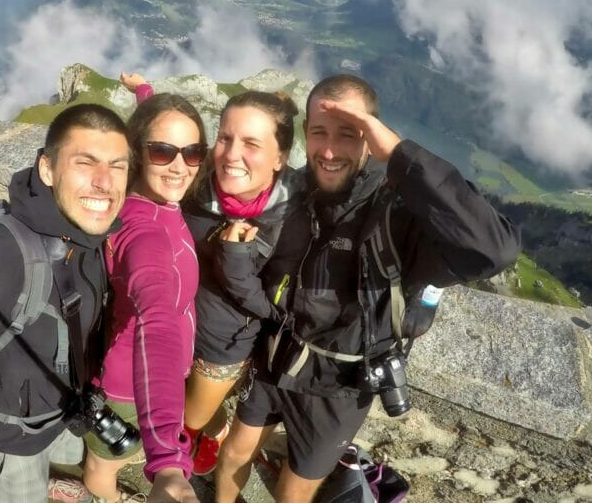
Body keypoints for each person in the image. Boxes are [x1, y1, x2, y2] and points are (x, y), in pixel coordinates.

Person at [214, 74, 521, 503]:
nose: (329, 150)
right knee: (233, 454)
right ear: (305, 134)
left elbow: (495, 249)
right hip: (275, 358)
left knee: (292, 493)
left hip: (341, 385)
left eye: (349, 134)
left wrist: (398, 155)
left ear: (372, 137)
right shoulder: (297, 191)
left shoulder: (398, 214)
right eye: (319, 132)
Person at [0, 104, 195, 503]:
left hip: (62, 411)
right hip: (11, 438)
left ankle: (54, 483)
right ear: (47, 169)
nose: (104, 183)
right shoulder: (0, 252)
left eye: (117, 166)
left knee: (61, 464)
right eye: (86, 163)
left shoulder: (87, 233)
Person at [82, 91, 207, 503]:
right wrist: (169, 463)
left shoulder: (154, 202)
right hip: (129, 384)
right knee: (103, 466)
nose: (179, 165)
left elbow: (163, 135)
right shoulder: (146, 232)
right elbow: (156, 319)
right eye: (162, 151)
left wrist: (144, 93)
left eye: (192, 152)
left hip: (141, 376)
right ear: (137, 150)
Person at [181, 90, 305, 476]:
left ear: (280, 158)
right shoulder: (195, 181)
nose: (231, 154)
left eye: (251, 143)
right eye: (225, 138)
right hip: (175, 322)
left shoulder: (296, 220)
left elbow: (278, 309)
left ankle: (200, 441)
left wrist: (234, 262)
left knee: (188, 416)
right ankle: (213, 432)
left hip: (221, 344)